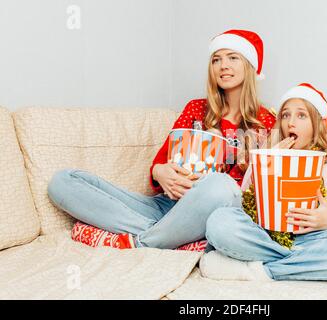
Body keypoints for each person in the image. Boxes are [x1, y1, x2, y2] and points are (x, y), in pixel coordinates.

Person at [47, 29, 276, 250]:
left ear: (249, 66)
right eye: (216, 59)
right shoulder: (196, 109)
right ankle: (169, 237)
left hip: (212, 211)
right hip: (168, 205)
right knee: (64, 181)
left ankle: (143, 242)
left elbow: (254, 196)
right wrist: (160, 172)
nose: (223, 65)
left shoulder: (266, 122)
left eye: (232, 58)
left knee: (221, 186)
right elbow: (162, 161)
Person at [200, 83, 327, 281]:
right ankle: (298, 263)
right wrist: (266, 160)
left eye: (301, 115)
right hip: (263, 236)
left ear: (317, 124)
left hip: (309, 240)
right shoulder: (267, 157)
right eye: (285, 115)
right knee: (219, 221)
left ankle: (260, 270)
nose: (290, 123)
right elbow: (243, 200)